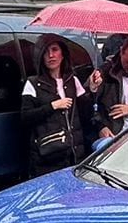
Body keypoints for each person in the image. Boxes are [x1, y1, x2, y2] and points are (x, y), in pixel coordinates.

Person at [21, 35, 92, 172]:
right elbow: (26, 117)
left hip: (75, 152)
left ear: (62, 54)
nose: (51, 55)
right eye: (46, 52)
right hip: (48, 154)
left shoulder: (72, 80)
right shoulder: (33, 83)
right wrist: (53, 106)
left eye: (55, 50)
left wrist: (92, 89)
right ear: (41, 56)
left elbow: (85, 113)